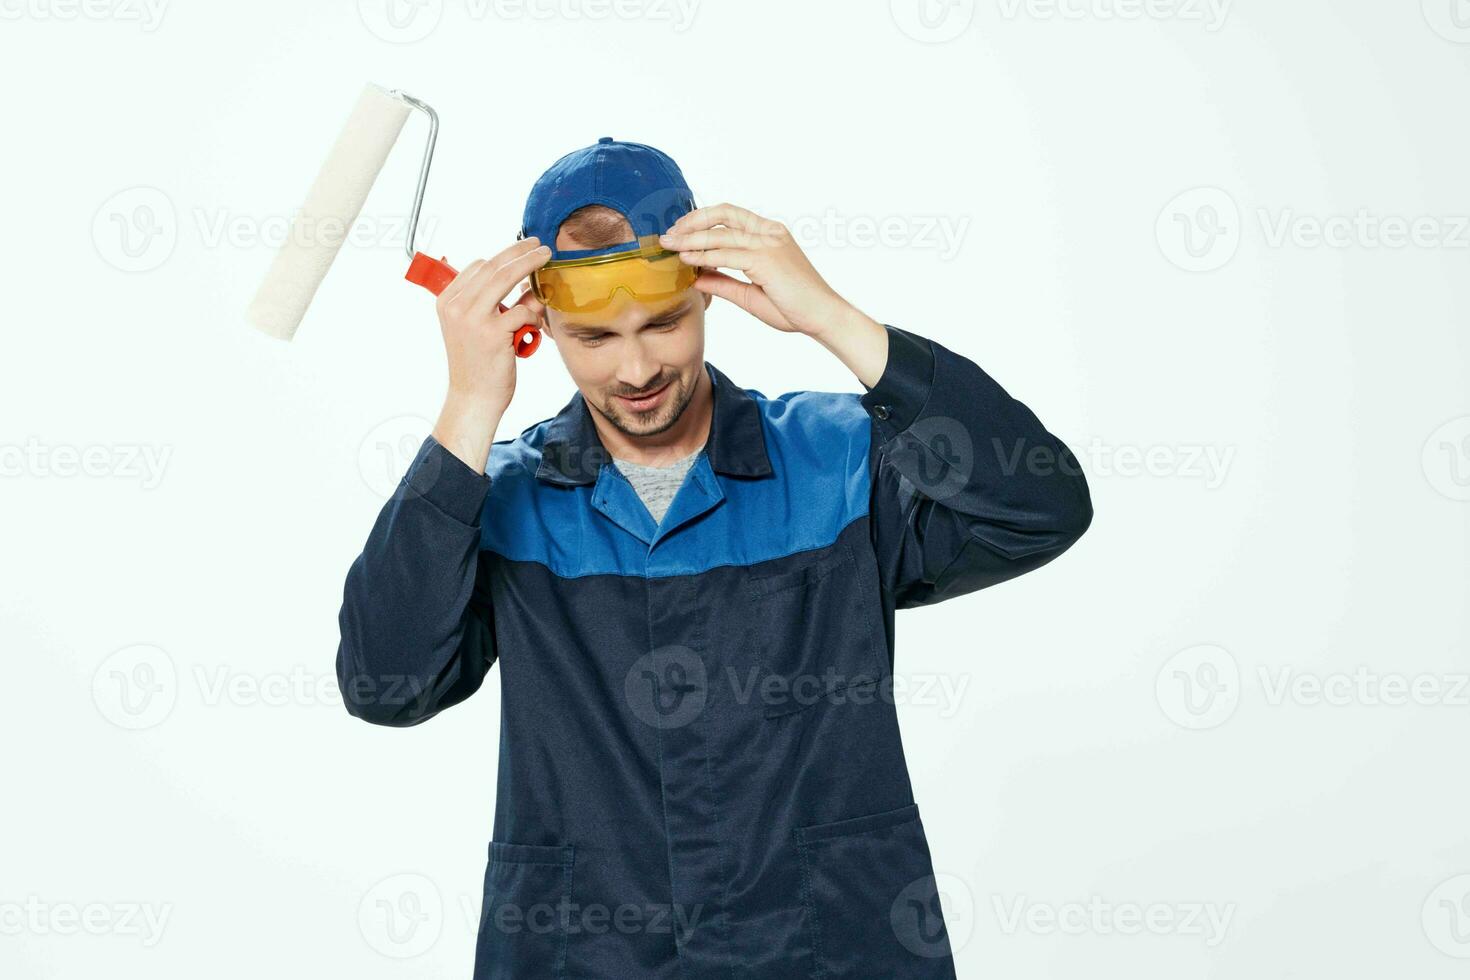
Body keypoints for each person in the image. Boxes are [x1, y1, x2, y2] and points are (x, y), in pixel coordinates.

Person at [336, 136, 1093, 979]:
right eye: (594, 337)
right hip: (584, 955)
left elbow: (1043, 507)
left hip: (823, 950)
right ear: (538, 326)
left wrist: (830, 316)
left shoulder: (837, 458)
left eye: (663, 322)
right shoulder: (504, 497)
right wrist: (469, 404)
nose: (637, 367)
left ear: (706, 294)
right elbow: (386, 686)